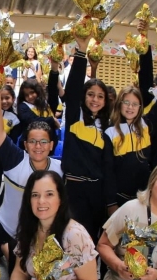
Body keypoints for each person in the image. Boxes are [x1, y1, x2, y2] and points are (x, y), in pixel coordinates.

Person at [0, 80, 63, 269]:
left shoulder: (60, 169)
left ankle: (5, 248)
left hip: (31, 233)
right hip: (1, 221)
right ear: (25, 144)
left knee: (23, 274)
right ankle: (3, 244)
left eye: (43, 142)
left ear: (51, 145)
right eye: (32, 141)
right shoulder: (15, 158)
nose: (38, 146)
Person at [47, 41, 116, 242]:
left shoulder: (108, 128)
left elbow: (108, 167)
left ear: (106, 101)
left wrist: (110, 201)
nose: (95, 99)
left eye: (100, 96)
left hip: (96, 193)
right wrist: (82, 51)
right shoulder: (75, 118)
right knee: (67, 240)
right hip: (73, 191)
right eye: (91, 95)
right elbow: (75, 87)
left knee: (90, 243)